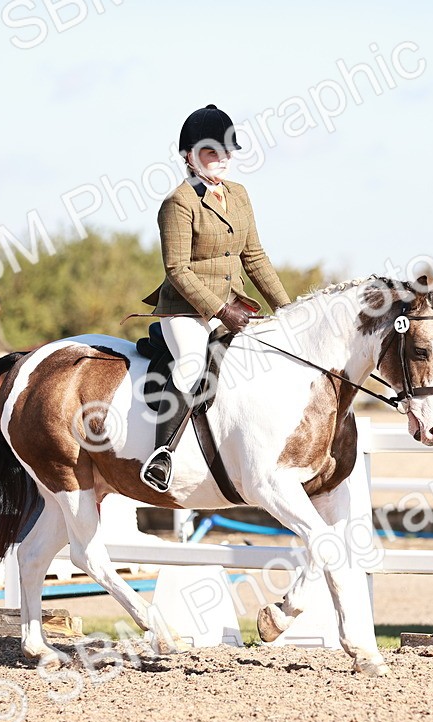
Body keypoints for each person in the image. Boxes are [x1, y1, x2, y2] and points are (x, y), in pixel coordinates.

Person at [139, 103, 294, 493]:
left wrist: (288, 309)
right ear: (189, 156)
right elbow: (177, 269)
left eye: (227, 150)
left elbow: (254, 257)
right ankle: (162, 454)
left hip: (234, 305)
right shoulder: (179, 203)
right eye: (212, 151)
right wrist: (221, 310)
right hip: (185, 310)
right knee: (191, 364)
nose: (222, 159)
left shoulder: (239, 194)